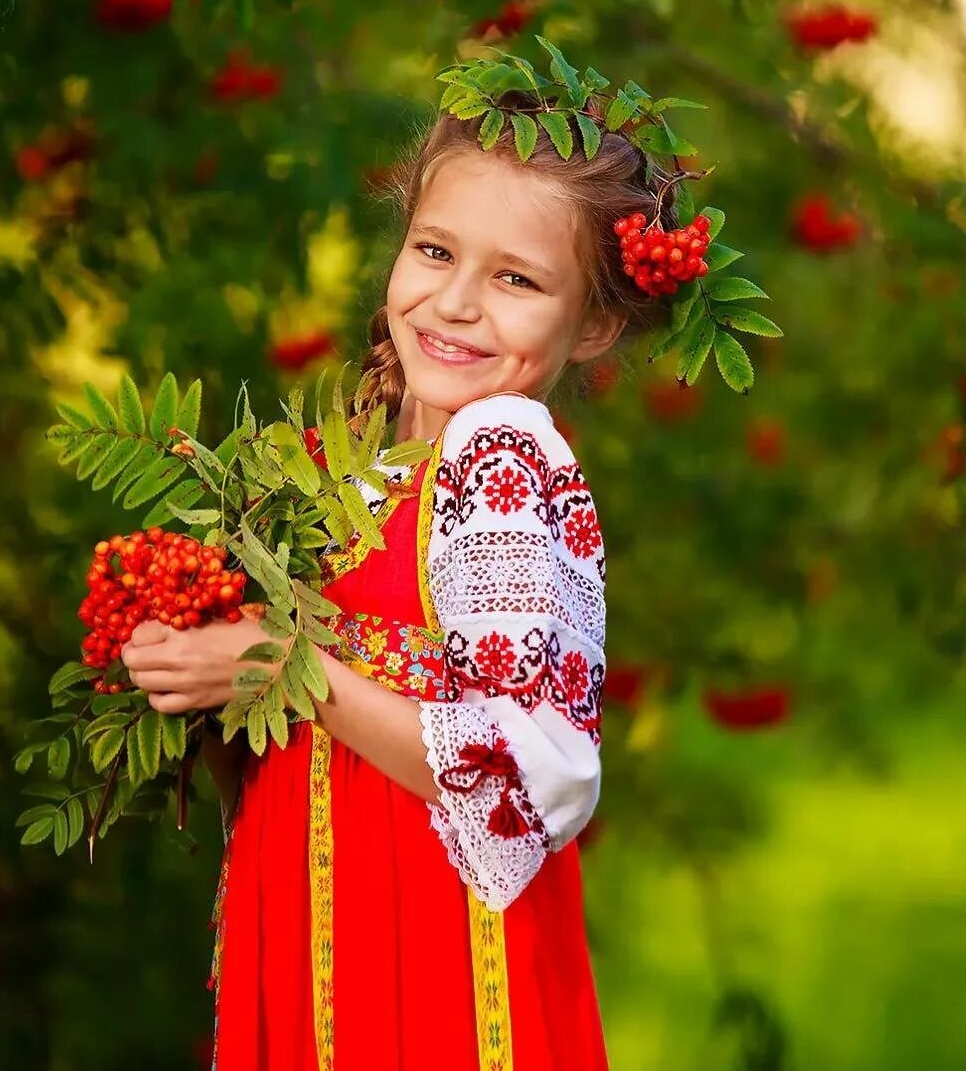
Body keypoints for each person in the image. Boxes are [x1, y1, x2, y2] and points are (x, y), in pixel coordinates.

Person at [121, 64, 697, 1070]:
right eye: (434, 250)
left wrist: (282, 663)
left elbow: (531, 774)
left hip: (431, 968)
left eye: (516, 278)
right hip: (316, 934)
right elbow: (284, 754)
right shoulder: (344, 469)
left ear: (595, 322)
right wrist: (204, 670)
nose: (457, 301)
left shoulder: (503, 456)